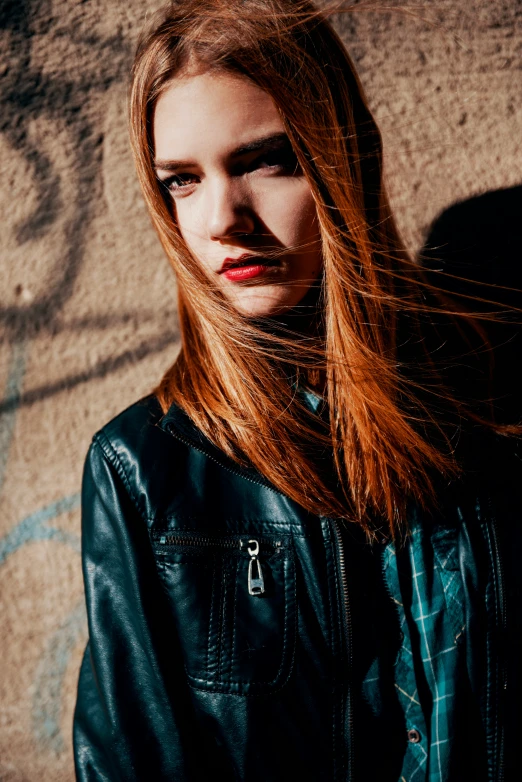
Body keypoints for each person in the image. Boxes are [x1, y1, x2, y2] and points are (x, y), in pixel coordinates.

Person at [72, 1, 521, 780]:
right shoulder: (144, 467)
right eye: (182, 180)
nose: (222, 219)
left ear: (341, 158)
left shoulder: (487, 399)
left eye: (265, 161)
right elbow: (129, 760)